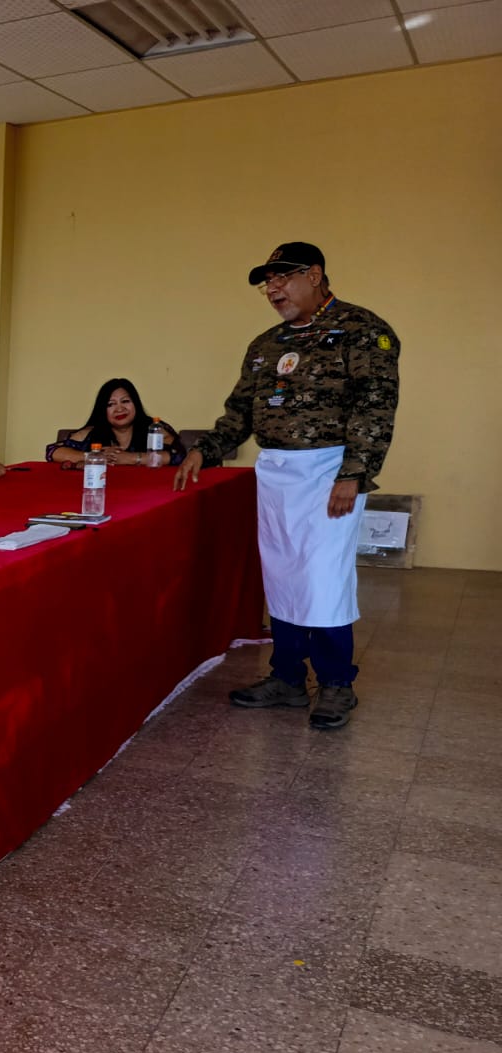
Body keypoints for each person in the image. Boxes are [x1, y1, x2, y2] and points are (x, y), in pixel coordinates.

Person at [175, 242, 399, 730]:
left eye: (282, 278)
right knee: (281, 577)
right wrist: (204, 450)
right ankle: (288, 679)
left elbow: (375, 408)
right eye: (267, 283)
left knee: (322, 578)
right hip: (276, 473)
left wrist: (354, 473)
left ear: (314, 275)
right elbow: (239, 412)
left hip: (330, 471)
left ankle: (336, 684)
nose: (273, 289)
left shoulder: (362, 330)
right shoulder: (266, 345)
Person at [47, 379, 184, 467]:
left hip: (145, 489)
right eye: (111, 404)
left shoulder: (153, 428)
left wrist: (130, 458)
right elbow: (52, 451)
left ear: (135, 404)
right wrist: (94, 457)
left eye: (125, 401)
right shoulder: (92, 432)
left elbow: (179, 455)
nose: (119, 409)